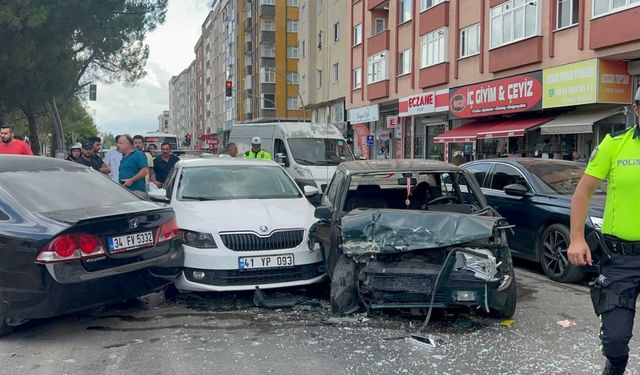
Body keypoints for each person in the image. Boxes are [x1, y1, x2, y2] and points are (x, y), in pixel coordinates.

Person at [568, 87, 640, 375]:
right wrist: (576, 238)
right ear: (637, 109)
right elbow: (582, 193)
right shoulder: (615, 145)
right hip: (620, 258)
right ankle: (615, 366)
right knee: (615, 340)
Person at [117, 134, 148, 199]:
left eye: (120, 143)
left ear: (127, 144)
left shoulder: (138, 154)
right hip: (125, 191)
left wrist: (131, 180)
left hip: (136, 192)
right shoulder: (124, 156)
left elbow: (145, 171)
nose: (117, 145)